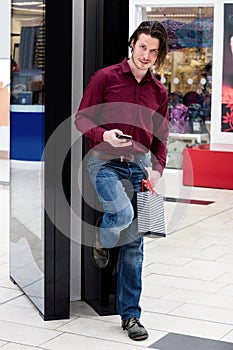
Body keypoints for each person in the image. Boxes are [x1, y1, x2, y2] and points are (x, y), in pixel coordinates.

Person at [75, 21, 169, 341]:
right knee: (124, 215)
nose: (146, 55)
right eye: (143, 47)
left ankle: (130, 316)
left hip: (140, 169)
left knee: (135, 246)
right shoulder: (105, 78)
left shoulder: (159, 91)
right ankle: (103, 235)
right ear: (132, 43)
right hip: (103, 163)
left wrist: (158, 168)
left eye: (154, 51)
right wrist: (104, 134)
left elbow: (161, 136)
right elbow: (82, 118)